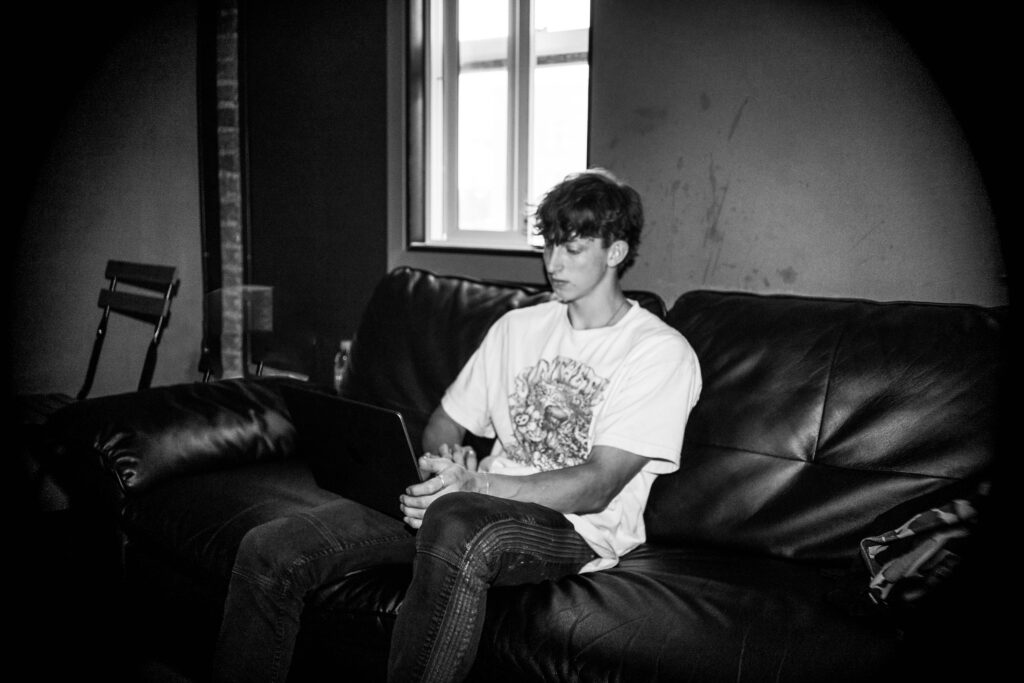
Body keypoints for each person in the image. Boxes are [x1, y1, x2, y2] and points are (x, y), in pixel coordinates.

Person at [213, 169, 702, 683]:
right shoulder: (518, 326)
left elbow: (598, 484)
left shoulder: (658, 352)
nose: (553, 263)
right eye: (549, 245)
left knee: (456, 523)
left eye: (573, 249)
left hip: (579, 528)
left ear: (616, 251)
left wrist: (476, 485)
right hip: (473, 500)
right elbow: (445, 422)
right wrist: (447, 463)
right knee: (270, 548)